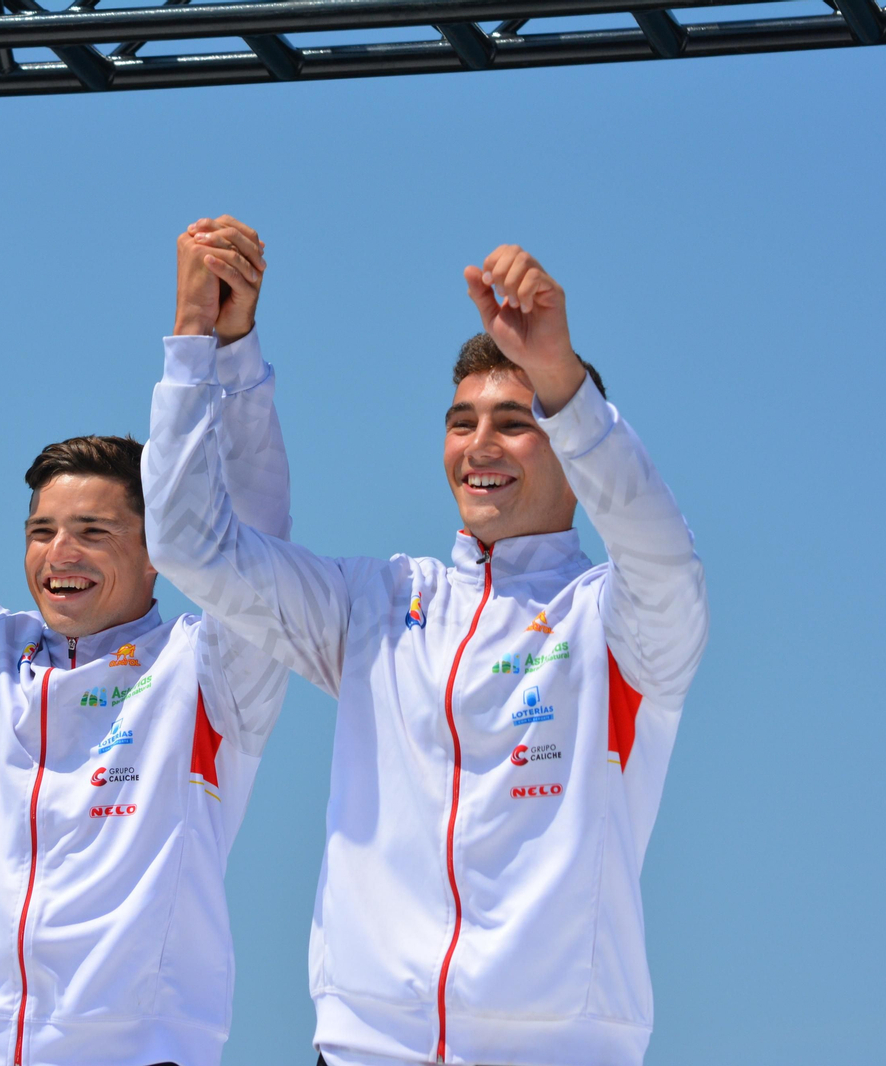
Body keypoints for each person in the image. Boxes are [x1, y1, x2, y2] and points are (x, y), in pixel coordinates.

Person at [143, 244, 709, 1066]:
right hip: (364, 1049)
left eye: (515, 424)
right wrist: (209, 347)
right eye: (461, 423)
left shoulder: (616, 624)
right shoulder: (373, 606)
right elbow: (193, 544)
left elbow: (665, 559)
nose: (480, 444)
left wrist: (560, 374)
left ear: (572, 450)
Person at [0, 196, 292, 1066]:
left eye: (94, 532)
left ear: (161, 552)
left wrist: (215, 346)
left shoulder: (208, 674)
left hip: (138, 1050)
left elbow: (257, 540)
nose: (60, 555)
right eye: (42, 532)